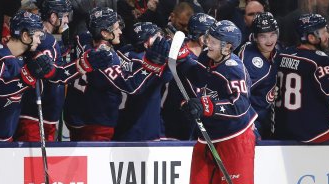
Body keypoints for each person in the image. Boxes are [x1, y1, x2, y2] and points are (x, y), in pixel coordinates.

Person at [0, 10, 111, 142]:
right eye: (37, 35)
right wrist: (28, 76)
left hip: (3, 136)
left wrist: (85, 63)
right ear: (25, 36)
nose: (40, 39)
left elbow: (58, 75)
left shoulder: (30, 56)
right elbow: (0, 88)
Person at [178, 20, 259, 184]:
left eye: (212, 41)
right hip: (209, 137)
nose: (206, 43)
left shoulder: (234, 68)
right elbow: (198, 75)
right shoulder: (209, 58)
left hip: (236, 139)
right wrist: (181, 57)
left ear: (227, 47)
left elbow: (240, 107)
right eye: (207, 39)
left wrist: (208, 107)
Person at [63, 7, 168, 141]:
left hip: (74, 115)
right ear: (105, 33)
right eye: (116, 28)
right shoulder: (106, 58)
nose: (120, 31)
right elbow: (130, 86)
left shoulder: (82, 38)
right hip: (97, 122)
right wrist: (151, 65)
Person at [274, 14, 329, 143]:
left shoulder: (284, 54)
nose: (328, 36)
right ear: (311, 37)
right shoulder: (319, 60)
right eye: (324, 32)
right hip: (311, 132)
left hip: (283, 128)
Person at [15, 0, 72, 142]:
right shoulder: (46, 40)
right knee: (33, 160)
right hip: (36, 114)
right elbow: (53, 74)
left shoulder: (45, 39)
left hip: (44, 113)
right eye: (64, 16)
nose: (67, 21)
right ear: (53, 17)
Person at [113, 22, 172, 141]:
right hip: (142, 127)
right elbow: (167, 76)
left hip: (121, 121)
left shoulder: (124, 51)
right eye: (157, 37)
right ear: (146, 43)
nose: (161, 39)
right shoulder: (145, 61)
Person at [162, 12, 216, 140]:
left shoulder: (208, 55)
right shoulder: (177, 52)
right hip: (176, 117)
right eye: (212, 35)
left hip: (198, 118)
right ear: (202, 37)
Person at [238, 12, 278, 139]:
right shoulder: (253, 64)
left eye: (272, 34)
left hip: (266, 118)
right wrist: (249, 124)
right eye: (263, 36)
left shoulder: (274, 53)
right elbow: (239, 97)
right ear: (254, 37)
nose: (269, 40)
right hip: (252, 122)